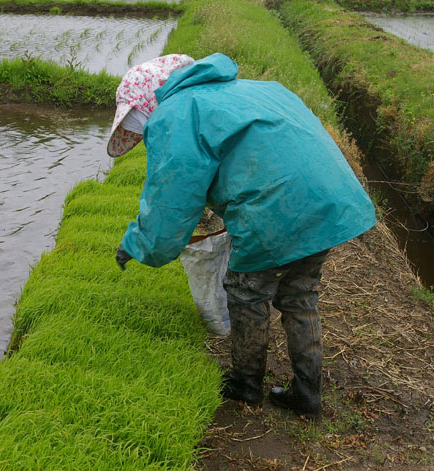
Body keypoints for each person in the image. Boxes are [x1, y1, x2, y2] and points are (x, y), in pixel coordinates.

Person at [108, 53, 376, 419]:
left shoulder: (177, 113)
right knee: (299, 294)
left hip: (278, 208)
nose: (142, 125)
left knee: (246, 292)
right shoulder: (257, 90)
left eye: (138, 118)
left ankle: (245, 384)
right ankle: (308, 393)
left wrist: (135, 243)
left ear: (147, 102)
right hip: (329, 201)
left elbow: (172, 203)